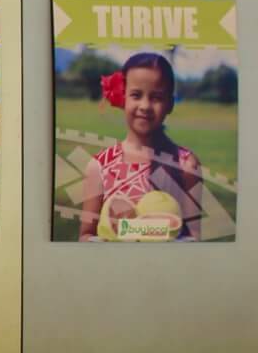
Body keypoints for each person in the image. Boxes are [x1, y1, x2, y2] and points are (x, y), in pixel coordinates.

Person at [79, 52, 202, 241]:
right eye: (136, 95)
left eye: (156, 97)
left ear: (170, 103)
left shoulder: (186, 165)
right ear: (122, 98)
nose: (145, 105)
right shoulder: (99, 167)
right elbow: (86, 235)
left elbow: (194, 238)